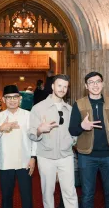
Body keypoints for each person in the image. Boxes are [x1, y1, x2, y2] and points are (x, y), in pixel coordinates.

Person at [69, 71, 109, 208]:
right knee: (87, 194)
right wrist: (82, 126)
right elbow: (72, 130)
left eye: (98, 81)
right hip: (87, 156)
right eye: (91, 82)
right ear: (86, 86)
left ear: (102, 84)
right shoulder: (78, 104)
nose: (95, 85)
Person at [29, 74, 78, 208]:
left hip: (66, 156)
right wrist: (39, 130)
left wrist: (71, 141)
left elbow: (74, 133)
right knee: (48, 193)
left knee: (70, 192)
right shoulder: (38, 108)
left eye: (65, 87)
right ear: (52, 86)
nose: (62, 89)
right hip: (45, 156)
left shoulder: (70, 110)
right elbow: (32, 134)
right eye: (59, 85)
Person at [0, 85, 37, 208]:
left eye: (15, 97)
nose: (12, 100)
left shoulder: (28, 115)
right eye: (8, 97)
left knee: (27, 197)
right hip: (6, 163)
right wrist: (1, 128)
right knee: (6, 197)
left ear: (20, 99)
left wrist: (33, 157)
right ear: (4, 100)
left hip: (25, 162)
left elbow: (35, 139)